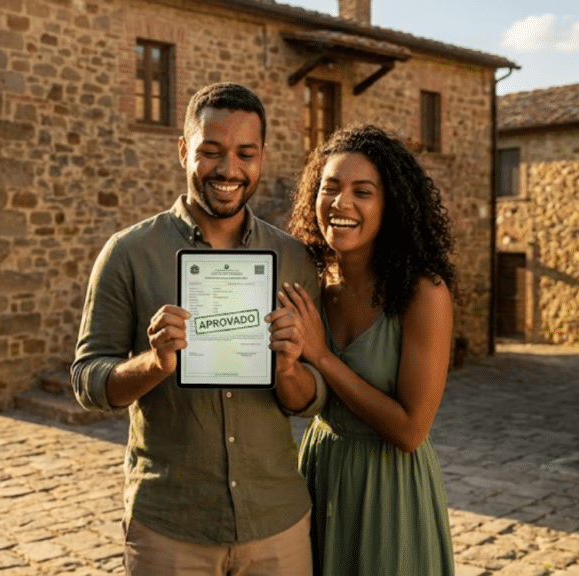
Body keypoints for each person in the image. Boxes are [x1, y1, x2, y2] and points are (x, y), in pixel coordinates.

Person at [72, 82, 328, 575]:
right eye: (210, 152)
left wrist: (288, 368)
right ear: (183, 150)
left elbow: (313, 397)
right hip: (170, 526)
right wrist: (155, 363)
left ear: (262, 158)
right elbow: (87, 381)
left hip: (276, 523)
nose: (228, 169)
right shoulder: (128, 254)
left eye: (244, 154)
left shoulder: (293, 259)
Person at [282, 124, 457, 575]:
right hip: (321, 471)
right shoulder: (311, 286)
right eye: (330, 187)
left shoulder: (424, 294)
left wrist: (322, 356)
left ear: (390, 205)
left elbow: (410, 430)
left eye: (363, 192)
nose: (342, 204)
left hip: (390, 489)